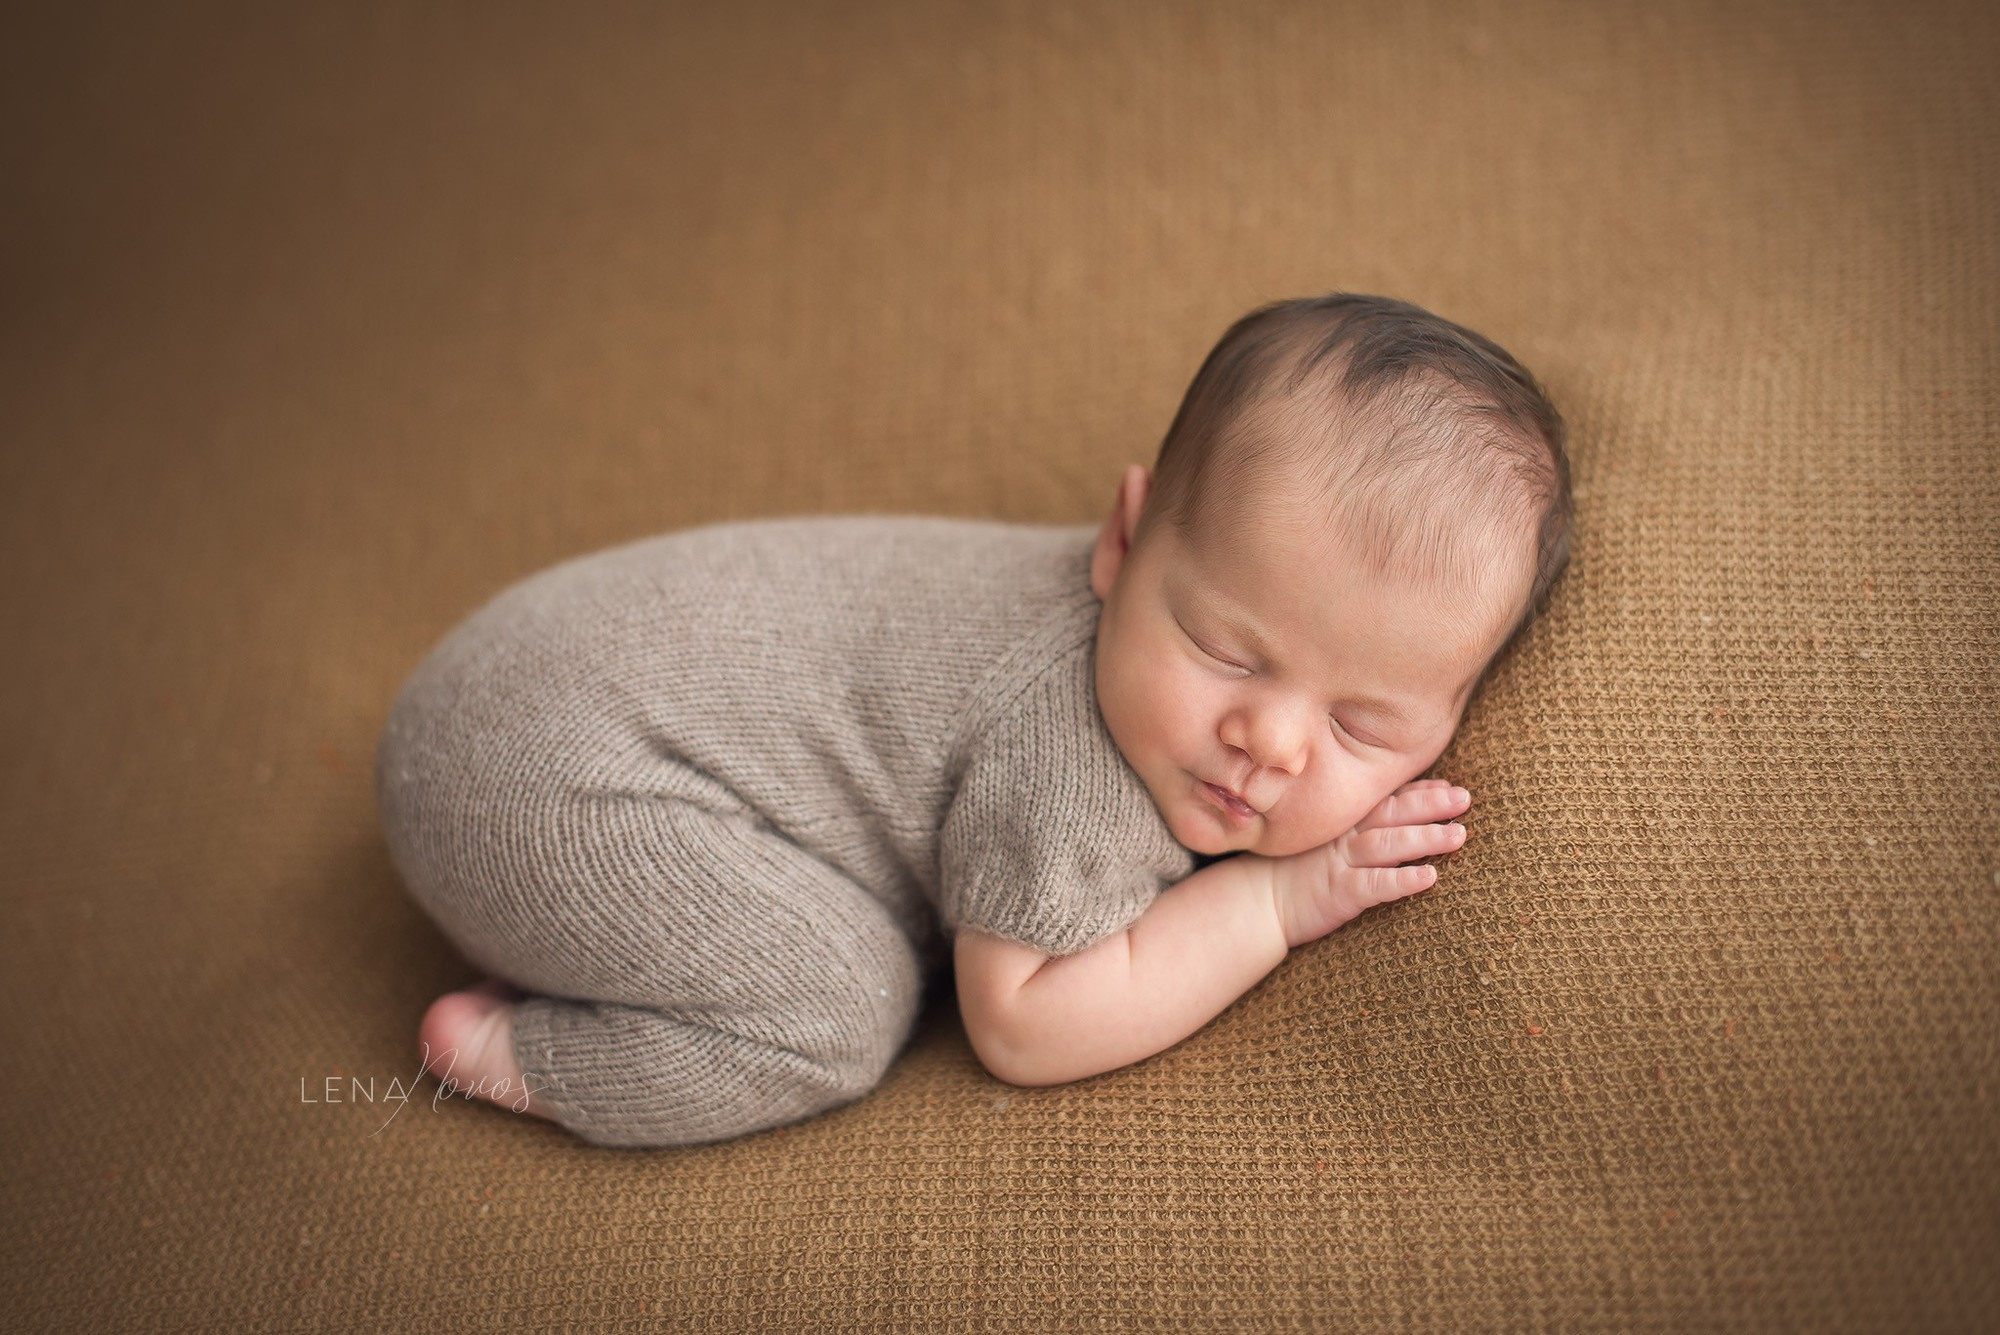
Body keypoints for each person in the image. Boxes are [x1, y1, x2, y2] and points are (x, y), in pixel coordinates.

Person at [376, 291, 1573, 1146]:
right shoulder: (1070, 768)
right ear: (1121, 543)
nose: (1269, 742)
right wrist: (1270, 902)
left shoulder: (1187, 599)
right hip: (539, 778)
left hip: (527, 671)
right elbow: (1020, 1026)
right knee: (836, 1010)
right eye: (1224, 651)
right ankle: (521, 1056)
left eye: (1361, 727)